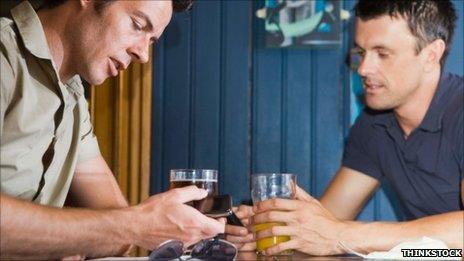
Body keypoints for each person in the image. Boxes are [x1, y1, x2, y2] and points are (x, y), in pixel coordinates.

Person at [226, 0, 463, 256]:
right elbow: (329, 220)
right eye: (361, 52)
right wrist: (272, 225)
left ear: (431, 54)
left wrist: (341, 234)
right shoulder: (374, 123)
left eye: (382, 53)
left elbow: (335, 232)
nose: (363, 68)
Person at [0, 0, 225, 259]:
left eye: (151, 41)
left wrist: (130, 227)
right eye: (138, 25)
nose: (143, 55)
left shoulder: (73, 100)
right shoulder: (5, 58)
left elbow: (118, 231)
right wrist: (129, 226)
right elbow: (123, 227)